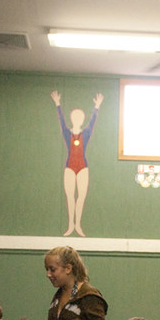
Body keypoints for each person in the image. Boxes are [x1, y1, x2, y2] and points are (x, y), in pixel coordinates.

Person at [51, 90, 104, 237]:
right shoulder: (67, 133)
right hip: (69, 167)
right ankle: (70, 225)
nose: (77, 120)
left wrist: (97, 107)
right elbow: (61, 121)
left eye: (80, 118)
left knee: (81, 196)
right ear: (72, 119)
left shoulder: (85, 133)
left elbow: (92, 123)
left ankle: (78, 224)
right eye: (75, 117)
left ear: (82, 120)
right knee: (70, 197)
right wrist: (57, 104)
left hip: (83, 167)